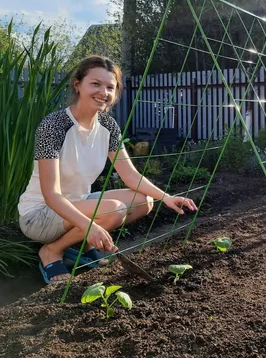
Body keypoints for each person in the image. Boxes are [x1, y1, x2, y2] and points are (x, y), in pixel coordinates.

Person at [18, 55, 197, 284]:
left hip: (79, 204)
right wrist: (89, 225)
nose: (103, 92)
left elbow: (130, 174)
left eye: (110, 87)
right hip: (41, 215)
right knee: (114, 210)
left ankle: (81, 245)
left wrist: (167, 197)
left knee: (144, 201)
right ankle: (51, 251)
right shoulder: (53, 126)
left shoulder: (108, 126)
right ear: (78, 85)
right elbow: (51, 195)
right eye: (95, 84)